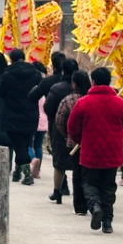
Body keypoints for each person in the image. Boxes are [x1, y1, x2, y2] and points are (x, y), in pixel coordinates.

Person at [67, 66, 123, 233]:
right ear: (109, 82)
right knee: (108, 186)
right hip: (113, 152)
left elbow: (72, 126)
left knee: (89, 182)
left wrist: (79, 140)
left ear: (93, 82)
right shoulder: (120, 102)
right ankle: (107, 222)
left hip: (90, 150)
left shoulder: (83, 102)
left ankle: (95, 205)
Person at [0, 49, 41, 184]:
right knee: (24, 143)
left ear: (11, 59)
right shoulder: (36, 74)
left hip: (12, 114)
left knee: (19, 145)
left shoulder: (8, 74)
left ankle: (27, 174)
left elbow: (0, 92)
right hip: (31, 114)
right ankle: (17, 172)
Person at [56, 70, 91, 215]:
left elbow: (60, 121)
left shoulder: (68, 100)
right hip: (92, 142)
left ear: (74, 83)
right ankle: (94, 201)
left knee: (77, 175)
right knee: (90, 174)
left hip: (75, 144)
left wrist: (69, 136)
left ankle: (80, 206)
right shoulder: (91, 98)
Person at [44, 58, 78, 203]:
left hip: (59, 129)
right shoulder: (84, 88)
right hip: (80, 131)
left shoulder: (57, 88)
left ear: (63, 70)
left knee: (59, 163)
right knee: (79, 163)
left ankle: (57, 191)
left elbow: (47, 107)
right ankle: (80, 194)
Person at [28, 53, 65, 180]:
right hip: (67, 122)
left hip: (49, 120)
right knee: (39, 145)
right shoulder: (74, 81)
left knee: (31, 144)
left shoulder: (48, 82)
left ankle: (34, 164)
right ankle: (41, 170)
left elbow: (33, 97)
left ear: (53, 65)